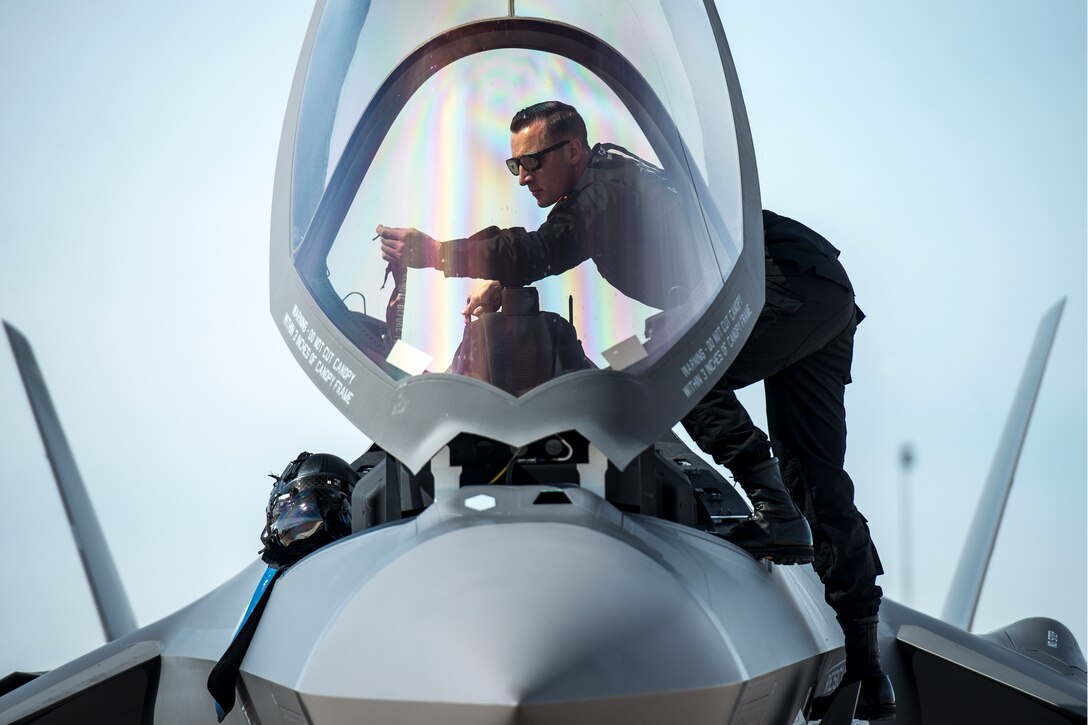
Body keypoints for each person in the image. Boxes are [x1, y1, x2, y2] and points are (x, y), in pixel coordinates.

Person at [377, 101, 893, 720]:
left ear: (572, 152)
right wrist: (503, 283)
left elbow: (535, 252)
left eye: (532, 163)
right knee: (816, 476)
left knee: (681, 370)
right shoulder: (604, 193)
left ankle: (778, 515)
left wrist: (435, 252)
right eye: (514, 166)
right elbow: (543, 250)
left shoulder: (608, 185)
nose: (523, 179)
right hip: (816, 288)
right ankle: (868, 676)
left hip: (784, 284)